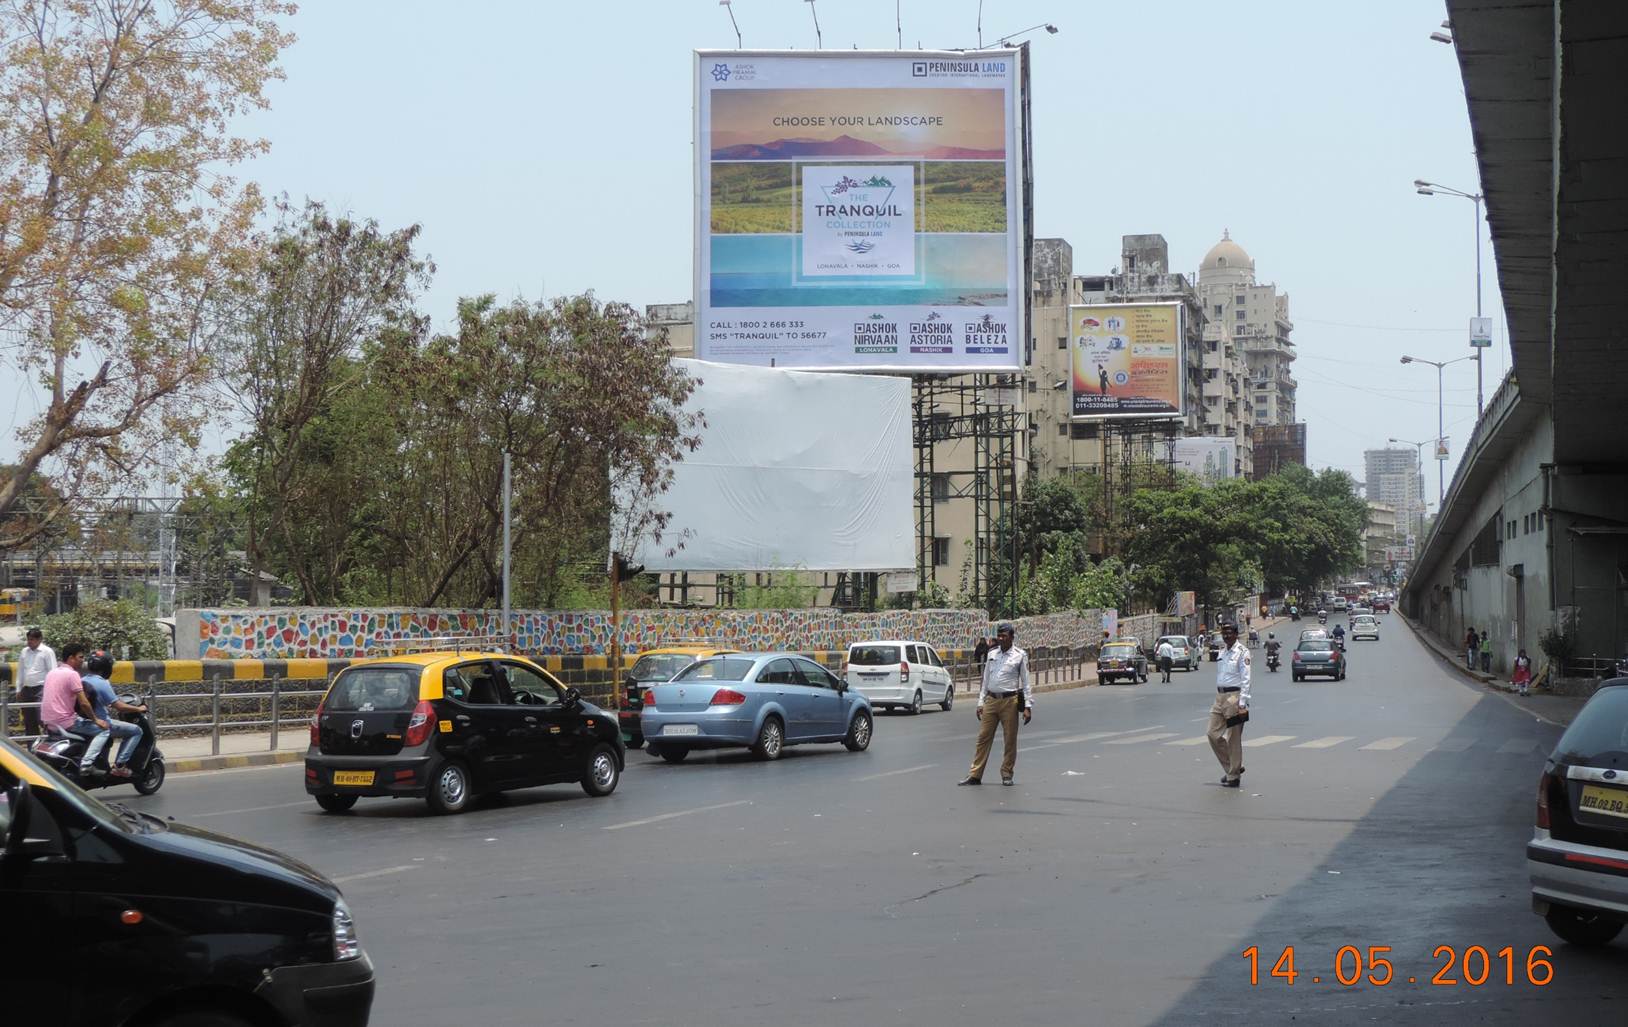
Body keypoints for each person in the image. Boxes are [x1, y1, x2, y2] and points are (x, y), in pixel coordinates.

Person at [958, 622, 1033, 787]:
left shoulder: (1019, 655)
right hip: (991, 700)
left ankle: (1007, 773)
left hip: (1010, 701)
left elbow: (1026, 682)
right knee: (983, 738)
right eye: (999, 636)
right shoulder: (992, 654)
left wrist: (1027, 706)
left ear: (1012, 637)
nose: (1001, 639)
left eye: (1004, 636)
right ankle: (975, 774)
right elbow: (985, 680)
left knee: (1010, 740)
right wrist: (980, 702)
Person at [79, 650, 145, 777]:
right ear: (106, 667)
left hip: (84, 722)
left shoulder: (82, 680)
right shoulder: (102, 683)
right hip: (101, 723)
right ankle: (120, 766)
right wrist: (139, 709)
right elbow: (119, 706)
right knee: (136, 731)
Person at [1207, 623, 1251, 788]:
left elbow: (1246, 678)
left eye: (1229, 633)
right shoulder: (1222, 651)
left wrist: (1242, 703)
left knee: (1233, 737)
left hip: (1234, 697)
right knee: (1212, 734)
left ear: (1236, 634)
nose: (1226, 636)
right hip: (1220, 697)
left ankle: (1233, 776)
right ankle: (1234, 767)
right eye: (1223, 633)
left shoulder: (1242, 653)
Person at [39, 643, 104, 752]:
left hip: (49, 723)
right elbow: (84, 703)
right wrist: (96, 720)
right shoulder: (72, 674)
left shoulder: (51, 673)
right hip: (66, 723)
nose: (83, 660)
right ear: (71, 658)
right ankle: (87, 763)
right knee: (103, 731)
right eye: (80, 657)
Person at [16, 626, 55, 737]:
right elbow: (20, 671)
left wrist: (51, 690)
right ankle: (31, 747)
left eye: (32, 639)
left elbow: (52, 671)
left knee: (41, 717)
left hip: (41, 688)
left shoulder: (47, 652)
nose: (29, 642)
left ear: (39, 639)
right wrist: (19, 689)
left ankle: (49, 742)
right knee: (29, 720)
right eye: (28, 639)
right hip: (27, 689)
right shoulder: (24, 651)